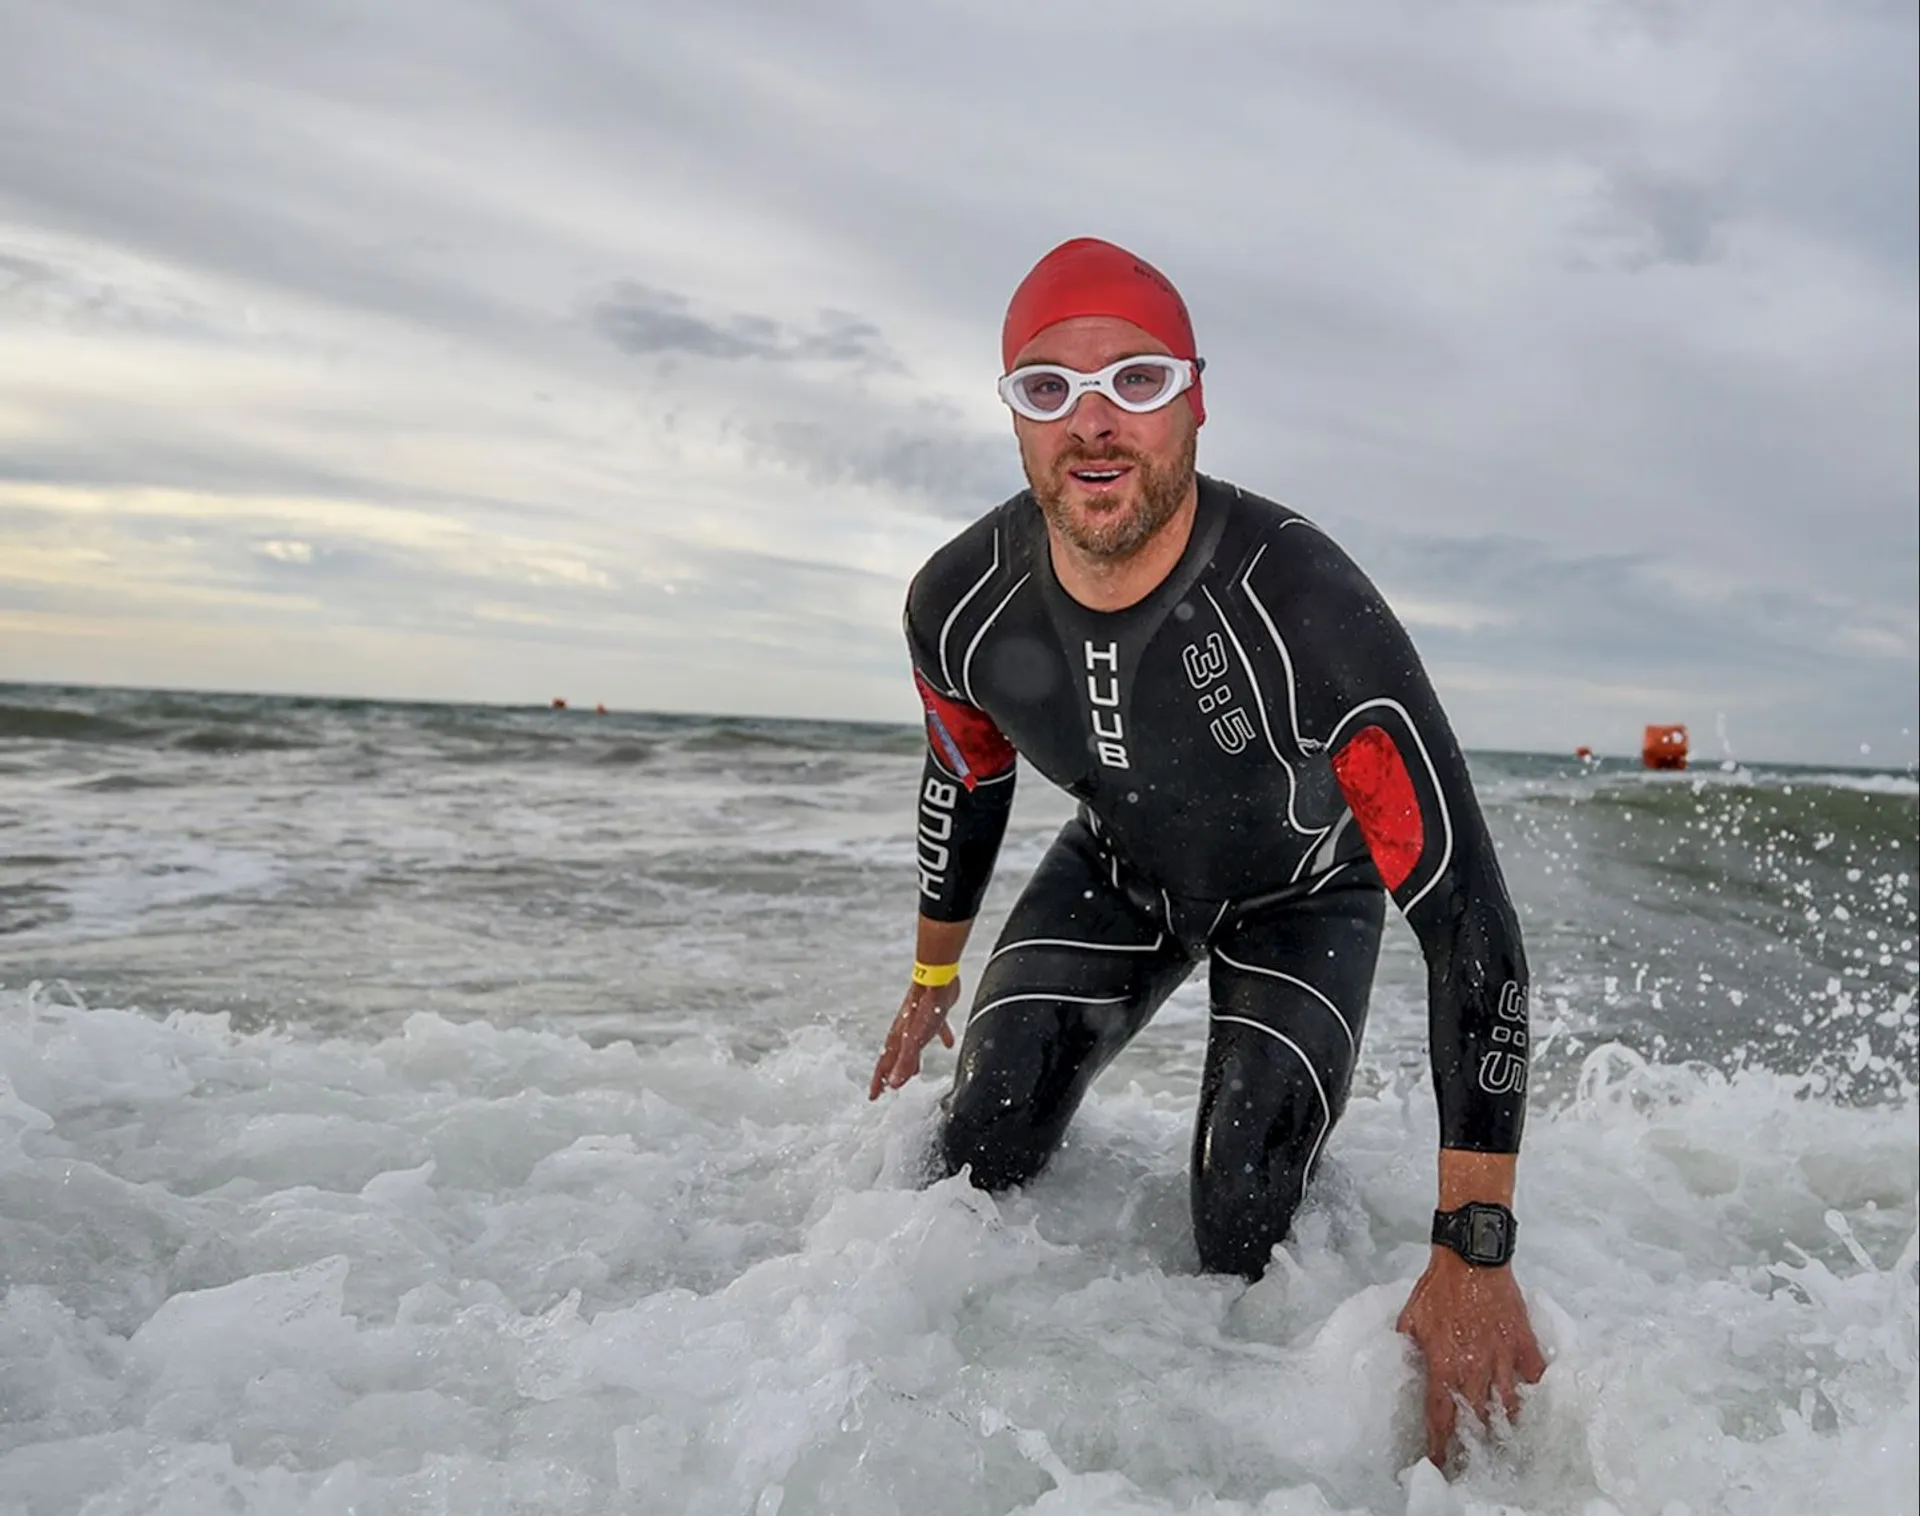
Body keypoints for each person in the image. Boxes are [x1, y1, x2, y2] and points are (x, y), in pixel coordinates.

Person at [868, 236, 1546, 1467]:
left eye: (1135, 382)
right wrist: (927, 985)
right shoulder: (959, 604)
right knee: (975, 1153)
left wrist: (1472, 1248)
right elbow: (966, 778)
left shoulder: (1301, 604)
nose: (1094, 424)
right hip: (1120, 871)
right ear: (1012, 419)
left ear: (1194, 401)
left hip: (1301, 895)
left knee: (1240, 1232)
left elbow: (1469, 924)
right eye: (1048, 389)